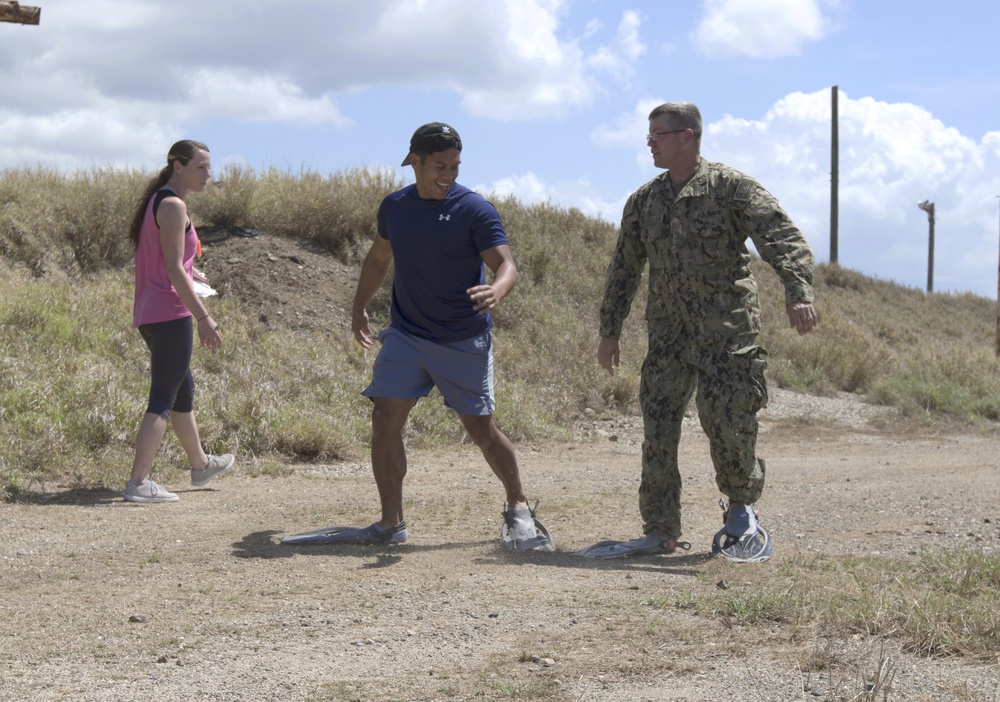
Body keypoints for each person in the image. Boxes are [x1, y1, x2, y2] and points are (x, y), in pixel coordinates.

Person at [577, 102, 816, 562]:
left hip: (727, 334)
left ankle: (742, 515)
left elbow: (783, 238)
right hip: (668, 336)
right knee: (658, 428)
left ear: (687, 136)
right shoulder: (645, 200)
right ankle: (660, 530)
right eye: (648, 136)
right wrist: (610, 330)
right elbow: (624, 268)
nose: (649, 144)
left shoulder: (730, 188)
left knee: (728, 423)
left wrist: (797, 292)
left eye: (657, 136)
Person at [312, 122, 552, 549]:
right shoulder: (395, 207)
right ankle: (391, 522)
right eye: (440, 166)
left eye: (455, 166)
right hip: (406, 333)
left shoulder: (475, 209)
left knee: (480, 429)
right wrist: (358, 306)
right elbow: (378, 257)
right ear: (414, 162)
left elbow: (507, 265)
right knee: (385, 419)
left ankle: (518, 506)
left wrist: (496, 288)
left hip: (462, 336)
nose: (449, 175)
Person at [125, 140, 234, 503]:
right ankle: (138, 482)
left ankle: (201, 464)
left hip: (151, 312)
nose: (208, 174)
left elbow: (169, 260)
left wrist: (193, 270)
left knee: (182, 390)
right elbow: (172, 269)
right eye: (201, 167)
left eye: (209, 167)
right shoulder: (172, 205)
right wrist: (204, 318)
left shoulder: (160, 200)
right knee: (162, 397)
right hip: (169, 314)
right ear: (178, 166)